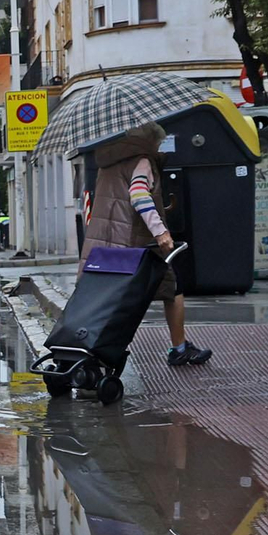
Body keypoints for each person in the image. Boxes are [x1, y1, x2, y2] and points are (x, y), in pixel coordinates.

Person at [83, 122, 211, 366]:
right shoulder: (142, 160)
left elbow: (117, 199)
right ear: (149, 141)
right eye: (158, 142)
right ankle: (179, 348)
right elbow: (138, 195)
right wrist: (161, 232)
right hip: (136, 243)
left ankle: (90, 347)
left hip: (103, 243)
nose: (159, 146)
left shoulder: (107, 160)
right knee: (173, 289)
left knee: (105, 298)